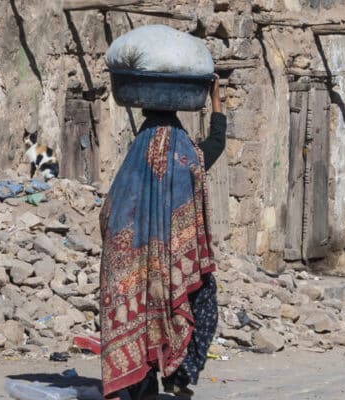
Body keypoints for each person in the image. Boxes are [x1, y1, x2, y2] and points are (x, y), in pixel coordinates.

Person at [100, 75, 226, 400]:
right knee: (202, 298)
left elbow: (109, 213)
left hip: (135, 265)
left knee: (137, 311)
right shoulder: (187, 157)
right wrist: (216, 99)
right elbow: (217, 142)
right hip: (175, 266)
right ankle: (179, 376)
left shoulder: (133, 162)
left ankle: (143, 383)